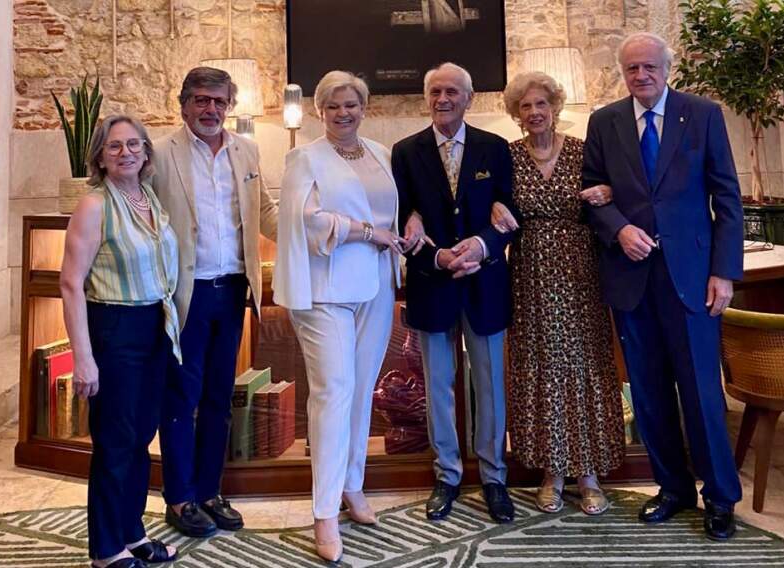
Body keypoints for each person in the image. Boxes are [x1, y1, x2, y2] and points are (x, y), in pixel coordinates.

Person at [582, 32, 744, 540]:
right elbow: (591, 193)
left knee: (701, 392)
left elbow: (727, 197)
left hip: (692, 280)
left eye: (649, 67)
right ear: (622, 73)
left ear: (666, 68)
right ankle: (672, 489)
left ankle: (720, 497)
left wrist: (724, 271)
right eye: (631, 69)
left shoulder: (703, 114)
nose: (641, 76)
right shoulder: (604, 121)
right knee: (649, 393)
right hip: (632, 282)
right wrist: (617, 227)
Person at [273, 70, 405, 562]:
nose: (343, 113)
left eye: (351, 104)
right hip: (325, 290)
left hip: (375, 285)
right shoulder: (304, 157)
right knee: (333, 392)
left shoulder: (380, 152)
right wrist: (367, 231)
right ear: (319, 110)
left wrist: (402, 230)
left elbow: (396, 208)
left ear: (364, 107)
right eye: (333, 106)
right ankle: (323, 512)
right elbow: (307, 222)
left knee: (362, 387)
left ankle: (353, 485)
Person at [152, 67, 278, 537]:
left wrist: (311, 241)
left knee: (219, 398)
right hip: (185, 295)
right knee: (181, 398)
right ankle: (180, 498)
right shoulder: (160, 154)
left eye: (219, 102)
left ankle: (209, 491)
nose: (211, 110)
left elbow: (264, 211)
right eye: (201, 100)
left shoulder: (245, 150)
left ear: (230, 106)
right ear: (183, 104)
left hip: (233, 293)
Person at [391, 62, 518, 524]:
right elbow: (403, 218)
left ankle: (493, 476)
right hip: (432, 284)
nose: (443, 99)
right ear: (428, 99)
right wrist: (439, 256)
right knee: (438, 386)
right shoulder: (405, 152)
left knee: (490, 387)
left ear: (469, 99)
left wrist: (482, 244)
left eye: (452, 92)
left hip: (485, 283)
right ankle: (446, 475)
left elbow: (510, 214)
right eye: (435, 92)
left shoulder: (495, 148)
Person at [498, 71, 625, 515]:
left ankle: (588, 472)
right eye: (525, 106)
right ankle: (551, 471)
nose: (534, 113)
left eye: (541, 105)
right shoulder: (507, 156)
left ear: (555, 107)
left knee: (585, 364)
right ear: (517, 114)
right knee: (541, 368)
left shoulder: (584, 150)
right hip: (530, 273)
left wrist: (609, 190)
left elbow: (616, 193)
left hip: (581, 271)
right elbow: (491, 201)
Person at [60, 115, 180, 568]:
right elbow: (71, 284)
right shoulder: (94, 206)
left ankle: (132, 533)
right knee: (114, 441)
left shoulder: (147, 196)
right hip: (114, 329)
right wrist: (84, 359)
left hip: (154, 329)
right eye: (114, 147)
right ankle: (106, 549)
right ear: (100, 156)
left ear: (147, 152)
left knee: (139, 437)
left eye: (134, 144)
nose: (125, 152)